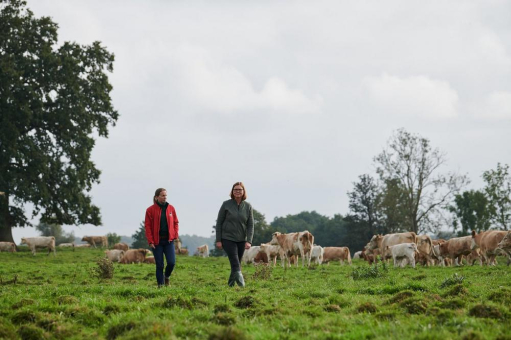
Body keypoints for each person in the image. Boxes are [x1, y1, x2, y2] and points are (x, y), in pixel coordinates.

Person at [215, 181, 254, 287]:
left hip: (241, 239)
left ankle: (230, 285)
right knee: (235, 262)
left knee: (236, 264)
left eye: (239, 189)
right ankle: (242, 286)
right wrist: (218, 240)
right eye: (235, 189)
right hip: (227, 238)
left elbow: (250, 225)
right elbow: (219, 223)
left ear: (243, 191)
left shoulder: (248, 206)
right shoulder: (226, 204)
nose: (237, 191)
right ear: (232, 191)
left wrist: (249, 240)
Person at [145, 188, 179, 288]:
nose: (165, 197)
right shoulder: (150, 210)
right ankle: (160, 286)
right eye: (163, 195)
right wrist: (150, 241)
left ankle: (167, 276)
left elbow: (176, 222)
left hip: (169, 241)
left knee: (171, 263)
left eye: (166, 196)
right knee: (159, 265)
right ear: (157, 197)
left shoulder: (171, 208)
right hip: (157, 242)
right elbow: (148, 227)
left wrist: (175, 234)